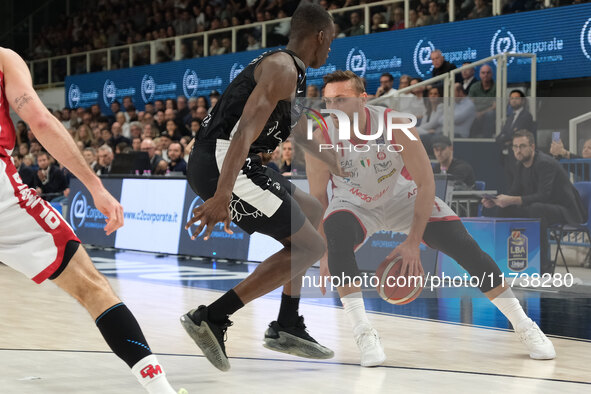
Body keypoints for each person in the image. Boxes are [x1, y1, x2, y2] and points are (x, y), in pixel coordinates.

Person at [310, 70, 555, 367]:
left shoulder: (395, 125)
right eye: (328, 102)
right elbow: (319, 199)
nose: (333, 108)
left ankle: (524, 325)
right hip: (353, 202)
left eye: (341, 100)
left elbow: (426, 183)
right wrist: (323, 250)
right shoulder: (320, 136)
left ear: (363, 100)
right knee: (335, 238)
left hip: (404, 196)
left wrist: (413, 242)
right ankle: (364, 333)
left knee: (465, 247)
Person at [0, 47, 181, 393]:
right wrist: (95, 186)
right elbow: (39, 121)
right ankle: (162, 390)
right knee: (92, 286)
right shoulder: (4, 59)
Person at [181, 4, 337, 372]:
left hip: (238, 161)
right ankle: (212, 317)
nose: (330, 50)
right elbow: (243, 132)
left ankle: (287, 324)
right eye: (330, 42)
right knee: (311, 246)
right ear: (319, 36)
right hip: (223, 163)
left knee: (313, 213)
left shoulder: (293, 72)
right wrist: (223, 195)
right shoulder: (282, 68)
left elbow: (296, 131)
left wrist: (336, 164)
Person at [482, 130, 587, 274]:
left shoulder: (545, 164)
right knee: (506, 209)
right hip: (540, 207)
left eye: (522, 146)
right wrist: (497, 201)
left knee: (537, 209)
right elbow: (514, 192)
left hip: (566, 210)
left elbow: (544, 196)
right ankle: (502, 261)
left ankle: (543, 269)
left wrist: (512, 200)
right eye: (515, 147)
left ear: (532, 147)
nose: (518, 151)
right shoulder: (520, 165)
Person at [496, 90, 535, 188]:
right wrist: (506, 138)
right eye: (512, 98)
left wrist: (506, 137)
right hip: (507, 155)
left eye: (516, 98)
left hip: (518, 155)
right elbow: (501, 136)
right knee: (510, 183)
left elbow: (516, 135)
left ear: (522, 100)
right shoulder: (510, 117)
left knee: (518, 183)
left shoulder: (526, 116)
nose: (513, 101)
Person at [469, 64, 496, 137]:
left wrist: (481, 113)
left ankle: (486, 139)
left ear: (492, 74)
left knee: (490, 114)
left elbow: (495, 106)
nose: (485, 75)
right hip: (476, 113)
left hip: (490, 113)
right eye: (483, 73)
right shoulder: (474, 87)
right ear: (479, 74)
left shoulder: (497, 86)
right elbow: (470, 104)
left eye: (488, 73)